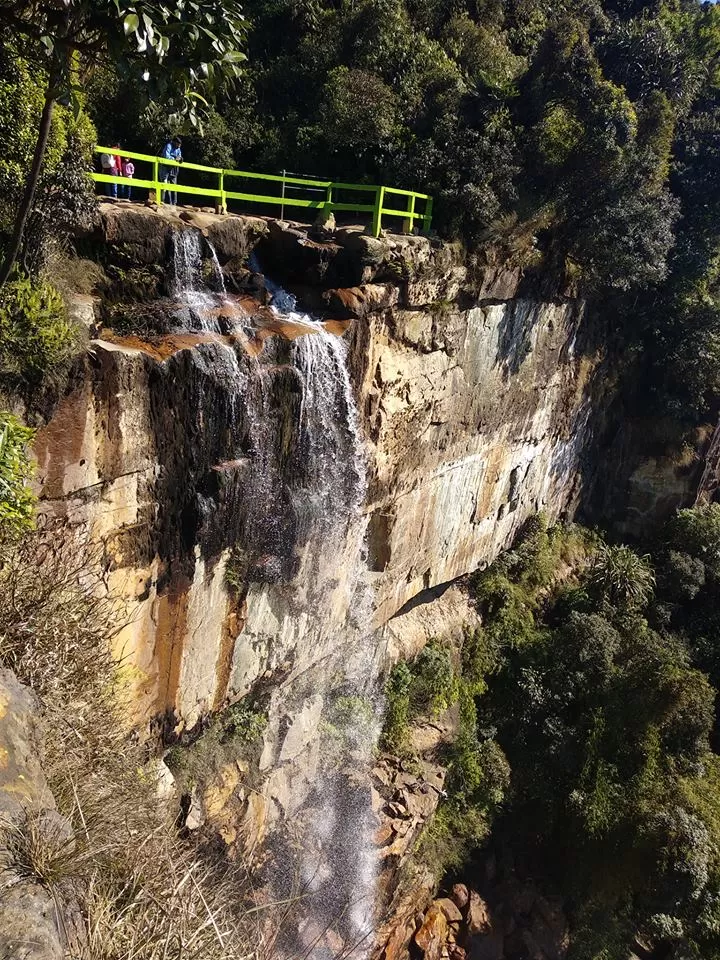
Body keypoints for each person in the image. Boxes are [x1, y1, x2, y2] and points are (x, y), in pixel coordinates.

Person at [160, 136, 182, 205]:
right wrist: (175, 158)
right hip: (165, 167)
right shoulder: (168, 146)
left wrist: (180, 159)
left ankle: (174, 203)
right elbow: (166, 156)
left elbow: (179, 157)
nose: (179, 146)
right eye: (178, 144)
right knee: (164, 184)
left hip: (173, 168)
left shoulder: (178, 148)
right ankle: (163, 201)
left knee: (174, 185)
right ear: (174, 142)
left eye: (180, 145)